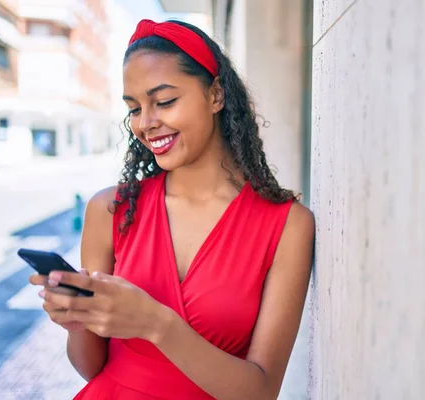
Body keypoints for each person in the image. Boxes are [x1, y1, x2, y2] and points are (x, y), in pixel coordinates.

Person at [29, 19, 315, 399]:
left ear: (215, 95)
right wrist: (76, 321)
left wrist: (156, 324)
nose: (146, 124)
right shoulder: (112, 210)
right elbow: (92, 369)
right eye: (134, 108)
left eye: (164, 101)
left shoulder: (287, 226)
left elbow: (260, 392)